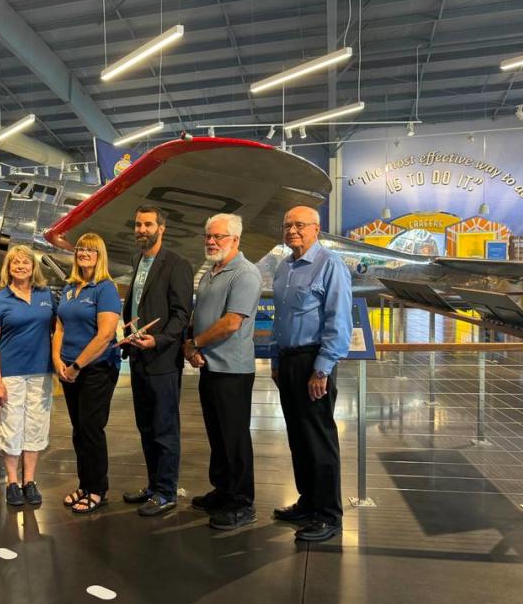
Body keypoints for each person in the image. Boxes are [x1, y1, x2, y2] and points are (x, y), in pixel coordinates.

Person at [270, 206, 352, 543]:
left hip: (313, 362)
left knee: (319, 440)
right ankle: (308, 502)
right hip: (288, 361)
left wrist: (322, 369)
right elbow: (280, 318)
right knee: (298, 439)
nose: (292, 230)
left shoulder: (330, 265)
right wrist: (276, 360)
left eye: (299, 225)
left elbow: (338, 320)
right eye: (287, 224)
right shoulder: (285, 267)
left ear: (316, 229)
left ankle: (328, 515)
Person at [182, 213, 261, 530]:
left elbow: (232, 322)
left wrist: (196, 343)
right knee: (217, 434)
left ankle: (242, 501)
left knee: (235, 437)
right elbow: (200, 314)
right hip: (210, 366)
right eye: (208, 236)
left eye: (219, 236)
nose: (211, 241)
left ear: (236, 240)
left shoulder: (245, 273)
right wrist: (192, 346)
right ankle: (224, 489)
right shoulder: (210, 273)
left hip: (233, 370)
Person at [121, 206, 193, 516]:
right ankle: (153, 485)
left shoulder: (177, 264)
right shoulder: (138, 260)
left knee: (165, 427)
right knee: (146, 426)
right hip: (137, 355)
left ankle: (167, 491)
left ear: (161, 228)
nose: (142, 229)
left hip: (162, 359)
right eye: (138, 224)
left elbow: (181, 315)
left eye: (148, 224)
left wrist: (160, 341)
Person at [54, 233, 122, 515]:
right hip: (68, 369)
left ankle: (97, 489)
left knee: (92, 430)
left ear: (99, 255)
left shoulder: (104, 288)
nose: (84, 253)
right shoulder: (70, 287)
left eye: (90, 250)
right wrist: (57, 360)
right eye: (80, 249)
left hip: (95, 370)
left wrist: (76, 366)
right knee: (79, 431)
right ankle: (85, 483)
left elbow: (106, 334)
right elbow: (59, 328)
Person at [0, 245, 55, 507]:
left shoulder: (46, 295)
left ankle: (30, 481)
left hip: (41, 372)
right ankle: (12, 482)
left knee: (35, 426)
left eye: (26, 262)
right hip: (11, 374)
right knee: (11, 427)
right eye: (15, 262)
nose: (21, 266)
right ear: (8, 267)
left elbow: (56, 330)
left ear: (33, 266)